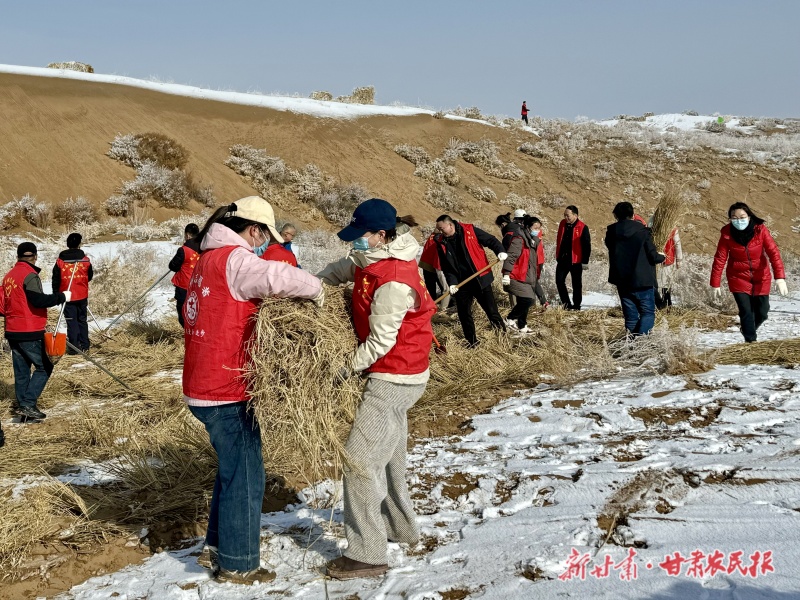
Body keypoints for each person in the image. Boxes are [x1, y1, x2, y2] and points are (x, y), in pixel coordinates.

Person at [183, 197, 323, 584]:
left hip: (201, 382)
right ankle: (239, 563)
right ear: (255, 231)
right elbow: (282, 277)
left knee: (231, 470)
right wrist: (319, 290)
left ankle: (217, 544)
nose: (263, 243)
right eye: (263, 236)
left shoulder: (206, 258)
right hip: (224, 387)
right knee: (246, 475)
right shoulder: (236, 260)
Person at [317, 199, 435, 580]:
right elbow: (342, 269)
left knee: (360, 462)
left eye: (361, 237)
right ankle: (401, 529)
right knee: (390, 455)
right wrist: (311, 286)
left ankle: (367, 554)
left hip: (394, 376)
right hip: (401, 373)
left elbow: (381, 343)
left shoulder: (395, 280)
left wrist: (341, 369)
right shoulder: (372, 261)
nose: (356, 244)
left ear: (382, 236)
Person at [2, 242, 69, 422]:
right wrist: (61, 297)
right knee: (45, 365)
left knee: (22, 371)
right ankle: (28, 404)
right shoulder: (29, 275)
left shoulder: (8, 276)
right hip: (29, 330)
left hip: (12, 330)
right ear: (35, 256)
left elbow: (1, 308)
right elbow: (38, 300)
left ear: (17, 256)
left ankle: (24, 408)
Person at [710, 202, 787, 343]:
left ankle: (747, 329)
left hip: (761, 275)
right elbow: (720, 258)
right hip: (737, 277)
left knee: (763, 312)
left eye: (742, 216)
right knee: (746, 311)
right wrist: (715, 283)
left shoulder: (760, 230)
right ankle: (750, 341)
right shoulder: (726, 233)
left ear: (749, 216)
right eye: (734, 217)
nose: (738, 220)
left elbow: (773, 253)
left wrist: (780, 277)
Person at [434, 215, 508, 347]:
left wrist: (500, 251)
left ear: (450, 225)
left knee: (491, 311)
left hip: (480, 279)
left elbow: (490, 240)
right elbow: (446, 267)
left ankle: (503, 338)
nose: (439, 231)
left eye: (441, 228)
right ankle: (472, 342)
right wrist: (452, 283)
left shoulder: (469, 230)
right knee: (464, 314)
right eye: (438, 229)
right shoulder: (441, 242)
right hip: (461, 284)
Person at [605, 202, 666, 336]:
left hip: (623, 281)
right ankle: (640, 344)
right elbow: (653, 256)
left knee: (631, 317)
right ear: (633, 215)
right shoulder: (643, 232)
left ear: (615, 215)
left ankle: (632, 347)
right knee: (647, 313)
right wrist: (662, 257)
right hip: (642, 280)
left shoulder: (611, 233)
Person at [496, 214, 538, 333]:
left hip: (525, 276)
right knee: (528, 300)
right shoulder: (519, 239)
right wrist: (506, 274)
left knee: (523, 300)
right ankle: (509, 319)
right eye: (535, 228)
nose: (538, 231)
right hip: (515, 275)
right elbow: (511, 257)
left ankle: (522, 326)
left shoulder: (531, 241)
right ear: (528, 227)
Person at [52, 232, 93, 354]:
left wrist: (56, 295)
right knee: (82, 320)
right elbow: (89, 276)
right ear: (79, 244)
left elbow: (55, 279)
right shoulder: (85, 260)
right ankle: (85, 345)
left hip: (66, 296)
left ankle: (74, 347)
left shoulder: (60, 261)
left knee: (71, 321)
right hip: (81, 295)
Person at [555, 205, 591, 310]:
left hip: (576, 260)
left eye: (568, 215)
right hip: (562, 259)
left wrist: (585, 261)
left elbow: (586, 245)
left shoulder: (582, 227)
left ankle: (576, 305)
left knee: (576, 284)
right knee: (559, 281)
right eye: (564, 215)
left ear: (575, 215)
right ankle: (566, 304)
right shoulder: (562, 224)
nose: (566, 217)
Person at [168, 223, 201, 328]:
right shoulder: (204, 249)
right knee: (196, 314)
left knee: (183, 315)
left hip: (184, 287)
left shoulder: (183, 250)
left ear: (187, 235)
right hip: (199, 286)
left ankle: (189, 335)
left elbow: (173, 266)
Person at [418, 231, 451, 318]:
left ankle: (432, 307)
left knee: (433, 287)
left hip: (430, 261)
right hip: (435, 264)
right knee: (445, 288)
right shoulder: (443, 240)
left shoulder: (436, 236)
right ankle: (441, 312)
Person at [525, 215, 549, 307]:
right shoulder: (530, 234)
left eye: (539, 228)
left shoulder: (533, 235)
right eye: (536, 228)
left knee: (533, 281)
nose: (537, 230)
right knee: (534, 281)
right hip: (537, 260)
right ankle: (541, 302)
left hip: (537, 260)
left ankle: (539, 302)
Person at [657, 226, 683, 308]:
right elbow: (677, 244)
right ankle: (666, 302)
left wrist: (679, 259)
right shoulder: (673, 228)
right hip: (667, 259)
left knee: (662, 282)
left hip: (660, 259)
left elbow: (677, 244)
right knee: (665, 282)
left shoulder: (653, 224)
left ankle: (665, 302)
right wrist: (679, 260)